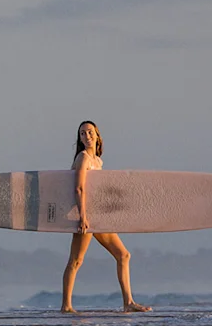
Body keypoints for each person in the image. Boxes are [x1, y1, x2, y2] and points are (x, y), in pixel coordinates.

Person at [61, 120, 151, 313]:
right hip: (85, 215)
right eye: (83, 133)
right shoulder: (83, 158)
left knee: (123, 255)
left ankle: (128, 303)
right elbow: (79, 188)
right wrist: (82, 216)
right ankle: (66, 306)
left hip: (99, 215)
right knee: (76, 260)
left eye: (90, 132)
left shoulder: (98, 161)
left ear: (97, 135)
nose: (87, 136)